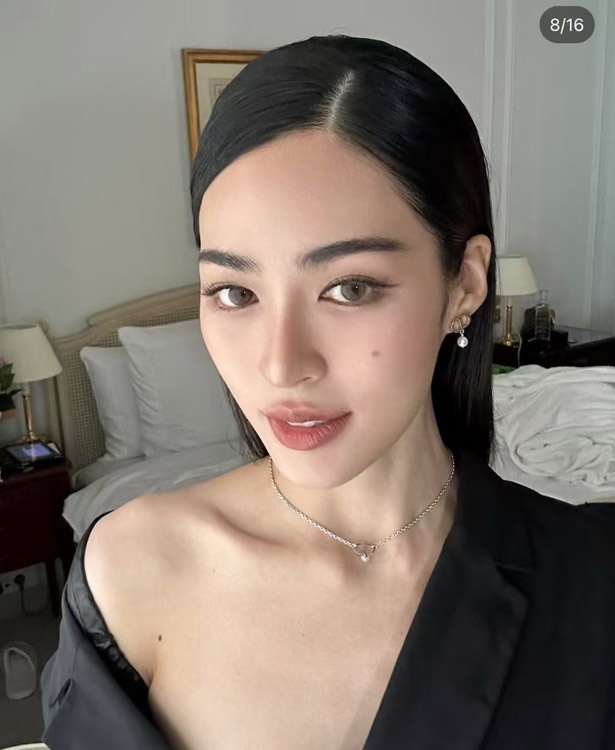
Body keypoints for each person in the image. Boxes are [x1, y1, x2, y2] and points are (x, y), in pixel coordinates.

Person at [40, 34, 614, 749]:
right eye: (235, 292)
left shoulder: (587, 581)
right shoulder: (131, 569)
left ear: (465, 284)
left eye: (350, 288)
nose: (281, 366)